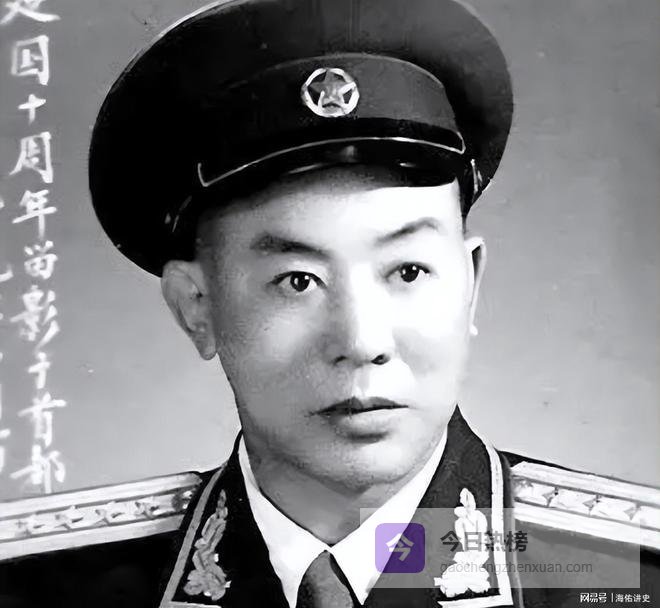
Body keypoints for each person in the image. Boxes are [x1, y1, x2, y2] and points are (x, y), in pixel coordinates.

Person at [0, 1, 657, 607]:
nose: (363, 341)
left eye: (407, 271)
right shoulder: (45, 589)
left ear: (470, 283)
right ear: (196, 306)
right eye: (298, 281)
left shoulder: (623, 573)